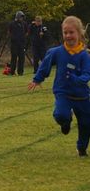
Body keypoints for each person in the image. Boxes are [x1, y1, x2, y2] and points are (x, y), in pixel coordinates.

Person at [28, 16, 90, 157]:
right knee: (61, 114)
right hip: (63, 92)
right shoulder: (57, 52)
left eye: (71, 32)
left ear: (79, 33)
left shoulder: (84, 55)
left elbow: (87, 74)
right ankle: (65, 122)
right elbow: (45, 65)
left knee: (86, 123)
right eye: (65, 32)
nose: (68, 36)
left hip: (81, 95)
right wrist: (37, 79)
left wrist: (77, 79)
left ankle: (81, 148)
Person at [8, 11, 28, 76]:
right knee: (14, 58)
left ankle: (20, 72)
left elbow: (26, 32)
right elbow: (9, 32)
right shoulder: (12, 24)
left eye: (22, 17)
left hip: (21, 43)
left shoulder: (24, 24)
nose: (22, 19)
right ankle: (12, 71)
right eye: (21, 17)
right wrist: (13, 38)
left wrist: (24, 38)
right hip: (14, 43)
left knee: (22, 58)